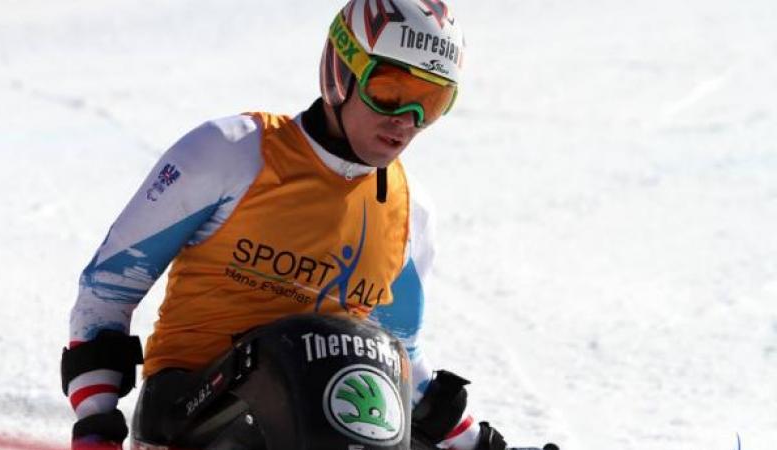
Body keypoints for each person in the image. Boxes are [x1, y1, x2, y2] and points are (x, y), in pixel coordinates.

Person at [61, 1, 541, 449]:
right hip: (196, 417)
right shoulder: (232, 152)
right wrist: (97, 425)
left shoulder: (411, 212)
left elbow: (403, 367)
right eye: (390, 92)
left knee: (359, 367)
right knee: (305, 360)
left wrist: (479, 441)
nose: (407, 120)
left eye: (431, 102)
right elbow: (107, 293)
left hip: (330, 427)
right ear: (342, 71)